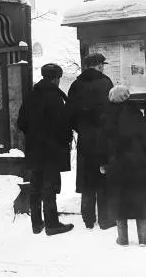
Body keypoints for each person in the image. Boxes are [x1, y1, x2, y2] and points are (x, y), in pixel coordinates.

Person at [97, 85, 146, 247]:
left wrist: (103, 163)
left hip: (115, 164)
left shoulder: (106, 116)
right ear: (126, 97)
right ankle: (144, 238)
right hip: (137, 163)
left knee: (119, 199)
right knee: (140, 198)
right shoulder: (136, 114)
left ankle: (123, 238)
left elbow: (101, 144)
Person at [17, 63, 74, 236]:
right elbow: (63, 125)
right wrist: (66, 140)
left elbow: (21, 123)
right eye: (59, 78)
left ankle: (36, 223)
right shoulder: (55, 98)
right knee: (49, 187)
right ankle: (52, 224)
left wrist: (33, 135)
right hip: (51, 150)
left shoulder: (31, 96)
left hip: (34, 149)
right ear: (56, 78)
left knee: (35, 186)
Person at [66, 52, 115, 230]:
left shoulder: (76, 85)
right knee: (103, 176)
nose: (103, 67)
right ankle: (105, 219)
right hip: (103, 136)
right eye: (102, 64)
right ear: (98, 65)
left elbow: (69, 114)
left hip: (85, 138)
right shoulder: (105, 82)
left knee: (87, 178)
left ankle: (88, 219)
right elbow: (112, 110)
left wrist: (82, 129)